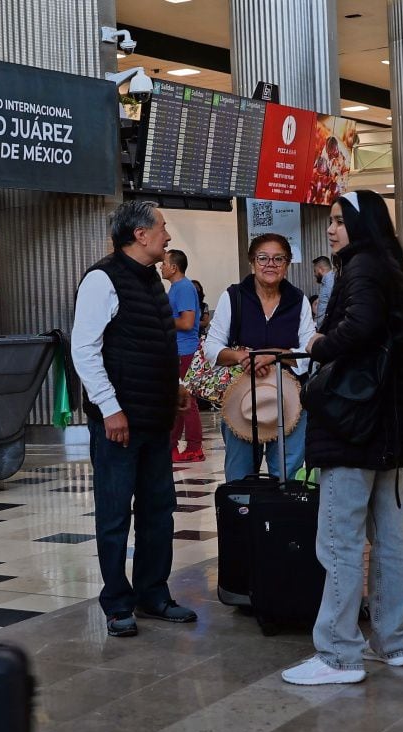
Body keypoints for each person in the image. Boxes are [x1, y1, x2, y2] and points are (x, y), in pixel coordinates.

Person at [280, 190, 403, 687]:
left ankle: (339, 654)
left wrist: (321, 343)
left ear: (362, 226)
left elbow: (359, 327)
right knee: (389, 537)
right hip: (388, 428)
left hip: (354, 426)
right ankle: (393, 642)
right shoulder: (392, 269)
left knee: (339, 540)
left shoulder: (362, 267)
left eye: (340, 221)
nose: (331, 228)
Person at [71, 200, 196, 638]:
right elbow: (83, 350)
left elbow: (152, 344)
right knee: (114, 513)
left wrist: (173, 388)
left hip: (154, 416)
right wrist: (110, 407)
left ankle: (153, 593)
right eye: (162, 227)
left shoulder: (150, 280)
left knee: (159, 510)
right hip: (119, 422)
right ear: (140, 235)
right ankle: (117, 603)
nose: (167, 234)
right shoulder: (102, 279)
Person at [206, 234, 314, 481]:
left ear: (287, 264)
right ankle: (243, 518)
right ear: (252, 262)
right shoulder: (234, 297)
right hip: (242, 398)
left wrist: (274, 355)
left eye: (279, 259)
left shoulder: (298, 300)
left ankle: (284, 519)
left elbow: (308, 352)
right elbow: (212, 347)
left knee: (287, 476)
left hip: (290, 400)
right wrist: (242, 356)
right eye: (263, 258)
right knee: (240, 478)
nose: (270, 264)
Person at [161, 249, 204, 462]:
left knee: (187, 400)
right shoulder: (176, 288)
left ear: (174, 267)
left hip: (184, 350)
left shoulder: (184, 288)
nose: (161, 267)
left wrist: (160, 321)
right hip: (176, 350)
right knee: (175, 399)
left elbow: (187, 323)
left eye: (164, 263)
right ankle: (172, 445)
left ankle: (195, 447)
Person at [312, 255, 335, 329]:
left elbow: (334, 308)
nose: (314, 274)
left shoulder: (330, 283)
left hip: (327, 329)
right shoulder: (326, 282)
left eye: (315, 271)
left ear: (320, 269)